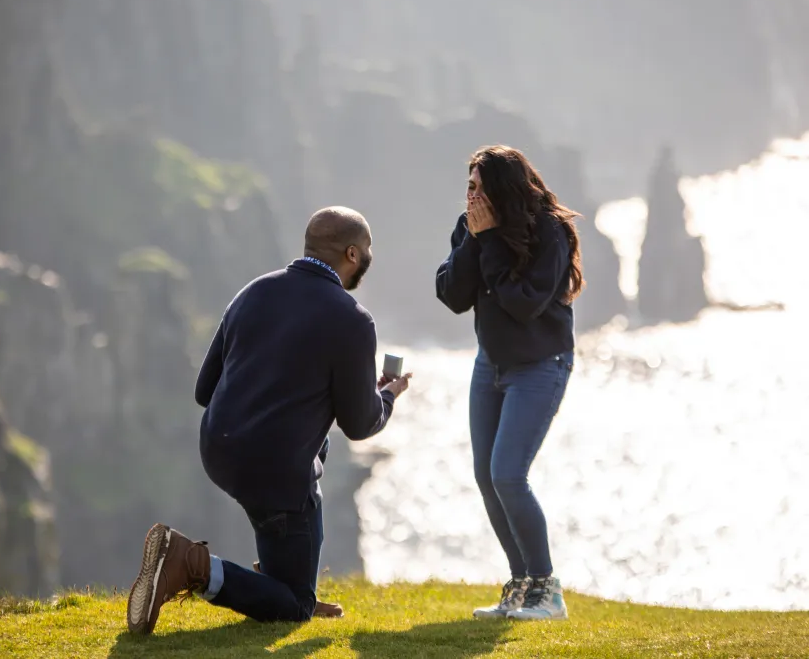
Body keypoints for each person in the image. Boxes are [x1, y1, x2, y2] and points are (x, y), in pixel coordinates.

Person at [127, 206, 413, 634]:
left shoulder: (253, 292)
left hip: (220, 449)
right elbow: (360, 424)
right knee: (297, 605)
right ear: (353, 254)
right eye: (367, 252)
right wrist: (386, 395)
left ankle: (278, 577)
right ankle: (190, 562)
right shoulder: (352, 319)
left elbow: (205, 391)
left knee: (316, 448)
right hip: (274, 469)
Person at [435, 145, 583, 621]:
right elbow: (453, 295)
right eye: (468, 186)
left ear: (501, 189)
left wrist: (491, 241)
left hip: (540, 364)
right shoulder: (473, 228)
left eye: (477, 187)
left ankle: (547, 590)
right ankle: (522, 589)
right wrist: (477, 240)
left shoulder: (549, 231)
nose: (469, 196)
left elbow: (523, 304)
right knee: (486, 476)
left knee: (507, 475)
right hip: (491, 364)